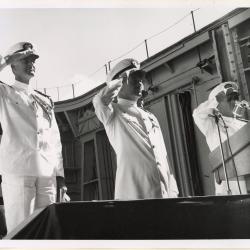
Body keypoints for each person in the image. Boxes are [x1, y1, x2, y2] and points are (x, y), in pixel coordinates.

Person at [0, 42, 68, 233]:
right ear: (13, 65)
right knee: (21, 231)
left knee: (46, 231)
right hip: (19, 172)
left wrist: (60, 178)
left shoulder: (44, 100)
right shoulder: (5, 93)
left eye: (32, 59)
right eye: (25, 59)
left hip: (47, 175)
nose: (31, 63)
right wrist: (6, 60)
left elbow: (55, 141)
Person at [93, 58, 179, 200]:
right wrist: (119, 81)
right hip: (132, 196)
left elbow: (163, 157)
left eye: (140, 78)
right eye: (133, 78)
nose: (139, 82)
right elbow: (99, 100)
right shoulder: (113, 112)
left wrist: (173, 194)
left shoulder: (150, 117)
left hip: (162, 196)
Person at [193, 81, 248, 195]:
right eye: (230, 98)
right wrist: (215, 100)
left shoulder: (244, 125)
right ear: (218, 104)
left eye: (236, 97)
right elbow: (197, 114)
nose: (235, 101)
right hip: (230, 187)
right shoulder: (212, 124)